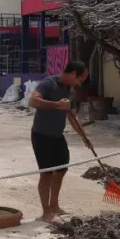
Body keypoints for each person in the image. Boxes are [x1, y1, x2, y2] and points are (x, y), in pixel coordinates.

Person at [28, 61, 89, 221]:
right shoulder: (49, 83)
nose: (80, 84)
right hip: (41, 135)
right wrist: (56, 105)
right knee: (46, 173)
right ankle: (45, 211)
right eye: (80, 80)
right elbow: (33, 101)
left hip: (57, 136)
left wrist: (84, 137)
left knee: (61, 170)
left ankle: (54, 205)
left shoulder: (71, 91)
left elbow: (71, 115)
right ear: (73, 74)